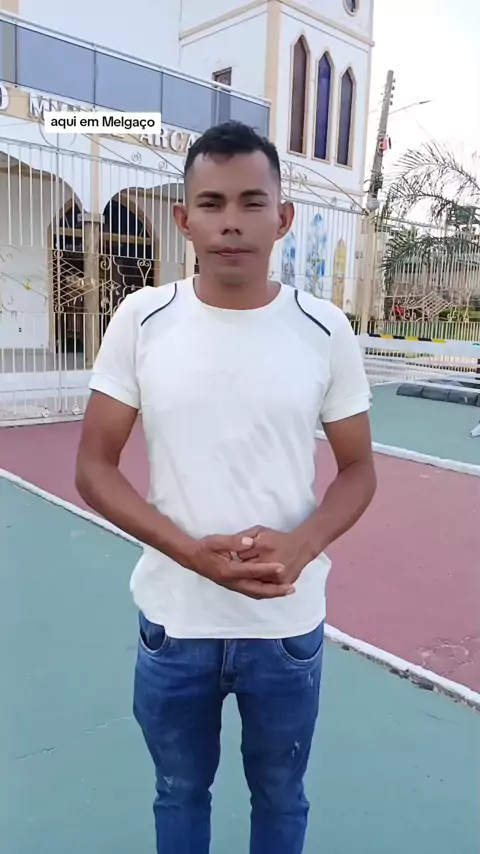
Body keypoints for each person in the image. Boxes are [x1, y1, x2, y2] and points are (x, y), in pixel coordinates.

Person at [75, 120, 376, 854]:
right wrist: (188, 553)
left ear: (284, 217)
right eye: (211, 203)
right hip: (175, 622)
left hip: (285, 626)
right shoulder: (142, 320)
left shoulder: (324, 329)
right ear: (184, 218)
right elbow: (94, 466)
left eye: (251, 201)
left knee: (280, 796)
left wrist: (302, 545)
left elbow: (359, 469)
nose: (231, 222)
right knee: (179, 792)